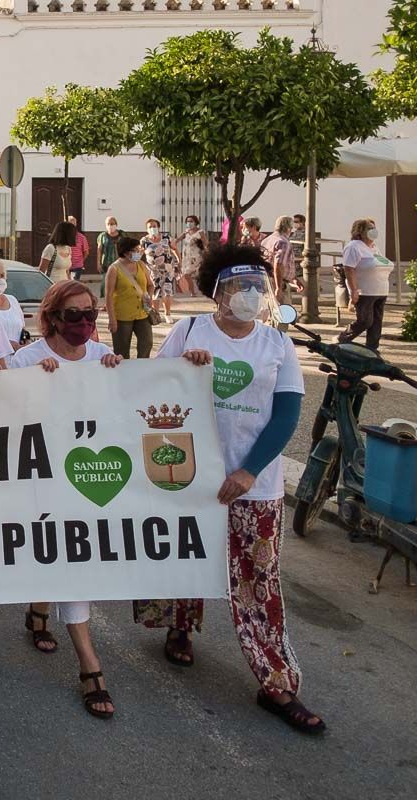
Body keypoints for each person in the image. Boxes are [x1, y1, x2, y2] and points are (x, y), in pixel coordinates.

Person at [134, 244, 325, 735]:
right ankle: (180, 626)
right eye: (240, 287)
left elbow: (286, 414)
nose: (249, 295)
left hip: (254, 487)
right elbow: (152, 388)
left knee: (258, 580)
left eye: (258, 287)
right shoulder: (190, 331)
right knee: (182, 558)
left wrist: (249, 470)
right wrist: (184, 370)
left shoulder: (276, 345)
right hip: (188, 476)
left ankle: (277, 680)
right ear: (217, 291)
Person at [9, 279, 122, 718]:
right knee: (53, 550)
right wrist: (24, 381)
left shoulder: (101, 358)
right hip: (38, 475)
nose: (83, 324)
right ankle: (82, 656)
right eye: (73, 315)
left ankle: (58, 630)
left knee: (70, 556)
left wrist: (124, 373)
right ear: (53, 318)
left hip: (87, 474)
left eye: (90, 315)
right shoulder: (29, 358)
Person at [338, 217, 393, 350]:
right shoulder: (353, 247)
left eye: (374, 228)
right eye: (370, 228)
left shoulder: (374, 248)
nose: (373, 231)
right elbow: (349, 269)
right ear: (360, 231)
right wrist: (354, 291)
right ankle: (343, 338)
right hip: (365, 291)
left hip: (380, 291)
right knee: (365, 321)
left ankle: (372, 350)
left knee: (376, 323)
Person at [104, 236, 154, 359]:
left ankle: (141, 368)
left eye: (139, 249)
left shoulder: (141, 265)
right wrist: (112, 319)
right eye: (136, 250)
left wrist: (149, 297)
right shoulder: (114, 269)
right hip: (122, 316)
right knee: (122, 350)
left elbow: (150, 285)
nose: (139, 252)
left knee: (147, 343)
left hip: (142, 313)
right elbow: (108, 295)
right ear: (126, 253)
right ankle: (123, 374)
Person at [142, 218, 180, 323]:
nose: (152, 228)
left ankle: (168, 314)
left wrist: (179, 262)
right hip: (153, 271)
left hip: (168, 270)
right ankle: (156, 314)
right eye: (150, 227)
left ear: (158, 227)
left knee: (167, 292)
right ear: (147, 229)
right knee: (155, 293)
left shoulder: (166, 238)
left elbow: (175, 249)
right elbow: (139, 253)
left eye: (154, 226)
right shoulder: (144, 241)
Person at [261, 216, 295, 303]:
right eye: (291, 228)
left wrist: (294, 279)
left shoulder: (267, 240)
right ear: (288, 228)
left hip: (266, 280)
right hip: (278, 282)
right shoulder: (283, 242)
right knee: (283, 313)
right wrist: (278, 287)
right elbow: (278, 265)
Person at [174, 215, 206, 295]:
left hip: (196, 257)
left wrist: (207, 252)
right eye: (187, 221)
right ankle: (192, 291)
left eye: (191, 221)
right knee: (186, 275)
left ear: (196, 222)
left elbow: (205, 243)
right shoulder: (186, 232)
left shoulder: (200, 232)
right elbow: (177, 240)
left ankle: (201, 289)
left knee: (194, 274)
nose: (189, 223)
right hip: (186, 257)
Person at [67, 216, 90, 281]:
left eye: (73, 224)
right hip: (65, 265)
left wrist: (81, 261)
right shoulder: (63, 237)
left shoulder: (81, 237)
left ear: (76, 224)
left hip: (76, 266)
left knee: (74, 284)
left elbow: (86, 252)